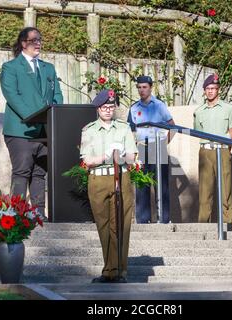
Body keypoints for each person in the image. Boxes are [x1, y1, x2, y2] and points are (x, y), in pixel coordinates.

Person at [0, 27, 63, 220]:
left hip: (44, 130)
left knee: (39, 174)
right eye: (34, 39)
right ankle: (17, 216)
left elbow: (57, 95)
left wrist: (56, 115)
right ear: (23, 43)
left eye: (40, 39)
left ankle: (38, 213)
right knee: (22, 172)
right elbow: (12, 96)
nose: (38, 43)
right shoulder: (10, 68)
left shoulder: (48, 68)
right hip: (21, 130)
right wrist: (34, 116)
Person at [80, 89, 138, 283]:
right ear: (98, 109)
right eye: (104, 107)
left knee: (121, 224)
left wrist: (121, 156)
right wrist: (104, 157)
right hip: (98, 179)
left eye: (111, 107)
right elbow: (86, 160)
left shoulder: (123, 128)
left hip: (120, 177)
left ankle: (119, 270)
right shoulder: (89, 130)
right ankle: (111, 268)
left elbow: (132, 156)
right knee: (103, 226)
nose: (108, 110)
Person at [127, 76, 175, 224]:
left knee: (161, 184)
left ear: (150, 87)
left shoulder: (159, 105)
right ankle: (143, 220)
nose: (142, 90)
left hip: (157, 146)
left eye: (144, 87)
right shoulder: (134, 108)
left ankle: (164, 219)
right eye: (139, 87)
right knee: (141, 184)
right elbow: (130, 131)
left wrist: (163, 143)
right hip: (141, 147)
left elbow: (172, 126)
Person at [193, 73, 232, 223]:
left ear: (218, 90)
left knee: (226, 188)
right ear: (204, 91)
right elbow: (197, 131)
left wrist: (227, 151)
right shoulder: (199, 111)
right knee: (205, 191)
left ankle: (229, 221)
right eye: (208, 88)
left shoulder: (228, 108)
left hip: (222, 149)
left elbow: (231, 132)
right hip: (205, 150)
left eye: (213, 88)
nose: (210, 91)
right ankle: (204, 223)